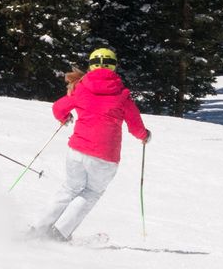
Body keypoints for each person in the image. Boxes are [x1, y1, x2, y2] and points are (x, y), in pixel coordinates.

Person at [30, 47, 150, 243]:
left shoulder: (81, 87)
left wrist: (64, 116)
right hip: (105, 156)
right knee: (92, 192)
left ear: (91, 66)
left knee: (69, 188)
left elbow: (58, 107)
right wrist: (144, 136)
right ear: (114, 67)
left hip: (77, 151)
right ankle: (59, 234)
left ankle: (38, 228)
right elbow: (135, 125)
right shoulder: (121, 94)